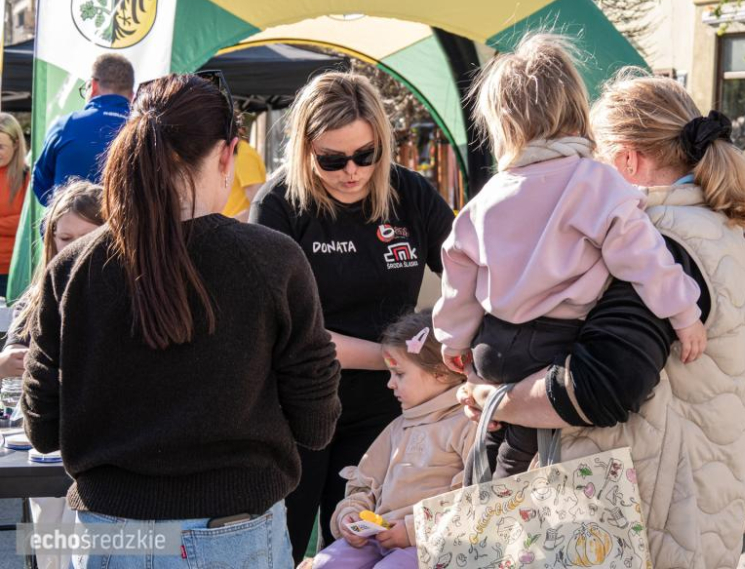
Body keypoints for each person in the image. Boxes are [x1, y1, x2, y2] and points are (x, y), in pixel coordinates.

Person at [22, 73, 341, 568]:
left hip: (110, 535)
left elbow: (42, 427)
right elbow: (316, 422)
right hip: (231, 533)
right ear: (227, 154)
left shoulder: (72, 267)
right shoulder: (272, 260)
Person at [458, 70, 745, 569]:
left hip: (646, 525)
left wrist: (493, 399)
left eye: (591, 159)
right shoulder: (710, 226)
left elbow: (599, 387)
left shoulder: (657, 244)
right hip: (689, 512)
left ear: (626, 160)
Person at [432, 33, 706, 479]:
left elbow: (458, 271)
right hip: (552, 343)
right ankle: (499, 507)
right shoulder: (595, 182)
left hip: (492, 341)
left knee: (486, 439)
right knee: (521, 459)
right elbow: (643, 257)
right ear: (579, 111)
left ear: (501, 127)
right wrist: (684, 313)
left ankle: (476, 501)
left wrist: (453, 340)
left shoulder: (488, 195)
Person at [250, 71, 455, 563]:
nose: (352, 171)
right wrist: (397, 356)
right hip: (295, 411)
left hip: (388, 410)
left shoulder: (411, 194)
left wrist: (442, 342)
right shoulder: (279, 206)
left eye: (367, 155)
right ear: (305, 149)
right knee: (283, 547)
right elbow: (286, 334)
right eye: (332, 159)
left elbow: (469, 280)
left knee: (360, 549)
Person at [312, 310, 474, 569]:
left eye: (399, 374)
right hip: (378, 535)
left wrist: (412, 530)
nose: (390, 384)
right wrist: (350, 515)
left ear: (440, 373)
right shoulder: (397, 427)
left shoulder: (467, 424)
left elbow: (472, 499)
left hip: (433, 544)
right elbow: (365, 484)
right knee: (325, 564)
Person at [2, 180, 104, 569]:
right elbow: (13, 357)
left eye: (89, 237)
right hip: (45, 449)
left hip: (102, 455)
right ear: (51, 241)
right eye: (66, 238)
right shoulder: (37, 298)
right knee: (50, 550)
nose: (75, 248)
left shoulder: (128, 298)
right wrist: (6, 363)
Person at [32, 53, 134, 204]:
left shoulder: (65, 126)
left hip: (68, 216)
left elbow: (40, 183)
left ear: (93, 86)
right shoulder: (147, 131)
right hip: (126, 219)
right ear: (132, 95)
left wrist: (62, 208)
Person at [0, 113, 29, 294]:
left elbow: (26, 223)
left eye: (1, 147)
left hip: (12, 272)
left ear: (16, 144)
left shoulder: (26, 176)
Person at [222, 138, 267, 222]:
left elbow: (257, 207)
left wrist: (225, 224)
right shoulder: (236, 152)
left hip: (237, 228)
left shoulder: (243, 154)